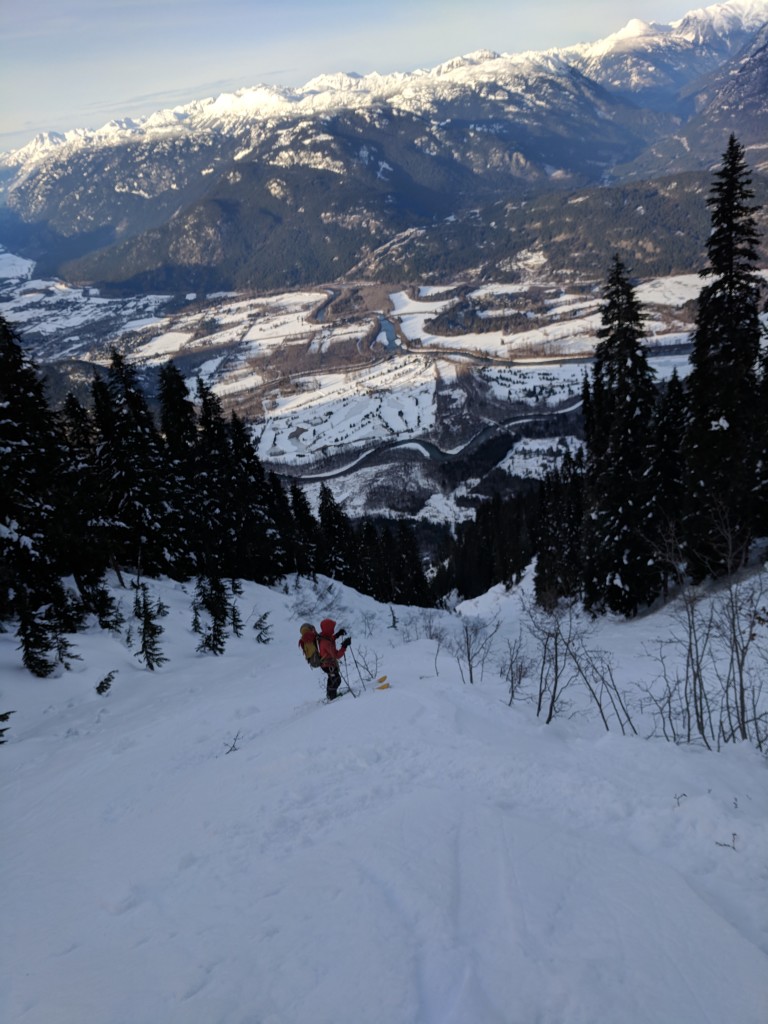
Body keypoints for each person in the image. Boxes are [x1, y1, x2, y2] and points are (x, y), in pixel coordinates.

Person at [318, 617, 351, 700]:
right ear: (328, 628)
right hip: (328, 665)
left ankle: (330, 695)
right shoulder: (326, 643)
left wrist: (338, 634)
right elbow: (337, 655)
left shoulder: (323, 635)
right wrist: (344, 646)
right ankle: (332, 697)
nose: (333, 629)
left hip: (325, 664)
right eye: (332, 627)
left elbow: (330, 638)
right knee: (336, 680)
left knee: (332, 679)